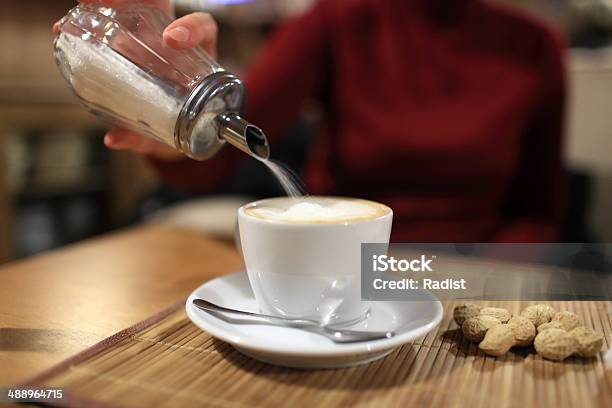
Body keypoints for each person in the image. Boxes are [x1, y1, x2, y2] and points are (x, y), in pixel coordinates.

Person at [58, 0, 567, 242]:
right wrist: (169, 111)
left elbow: (537, 211)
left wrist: (485, 288)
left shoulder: (534, 48)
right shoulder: (341, 21)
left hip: (467, 275)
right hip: (339, 264)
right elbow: (222, 151)